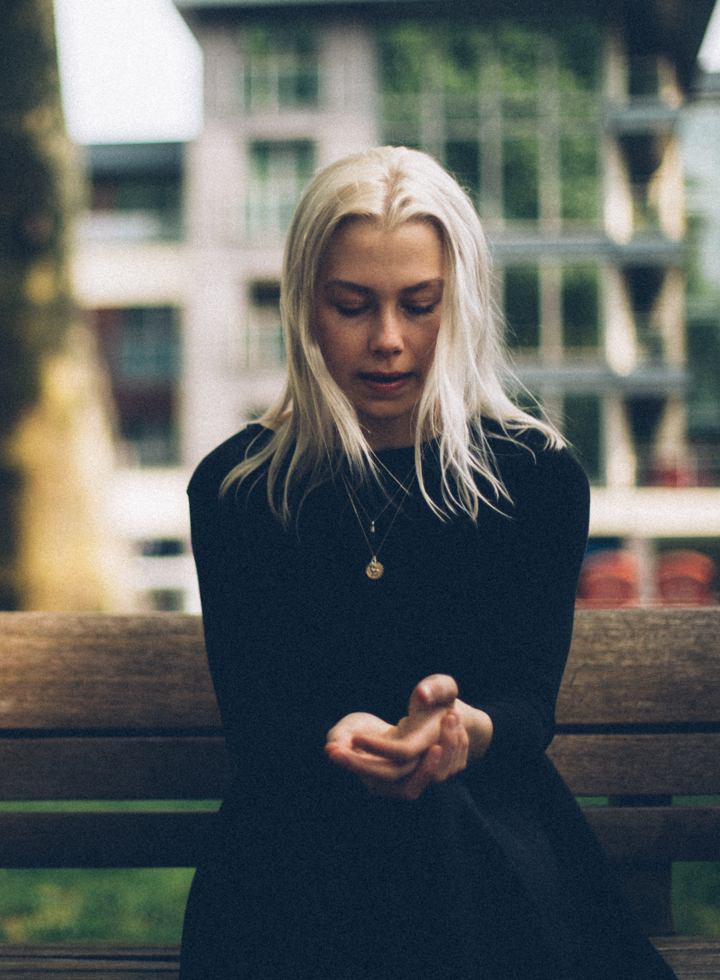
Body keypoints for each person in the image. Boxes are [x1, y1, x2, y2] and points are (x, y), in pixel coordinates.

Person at [181, 147, 678, 980]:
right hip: (299, 846)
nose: (388, 341)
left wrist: (460, 735)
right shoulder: (238, 491)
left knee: (439, 828)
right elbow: (259, 727)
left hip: (488, 829)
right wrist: (340, 739)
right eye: (352, 306)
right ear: (305, 306)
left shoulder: (536, 478)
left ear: (467, 302)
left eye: (420, 306)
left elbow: (526, 705)